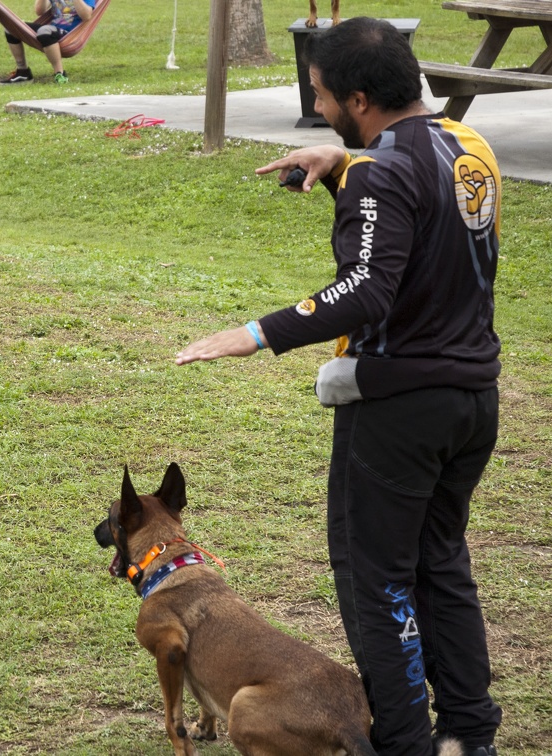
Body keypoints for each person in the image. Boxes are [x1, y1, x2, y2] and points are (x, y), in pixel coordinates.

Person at [175, 17, 503, 756]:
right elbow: (419, 202)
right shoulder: (466, 145)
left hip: (397, 407)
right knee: (439, 563)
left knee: (376, 581)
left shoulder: (378, 174)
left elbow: (365, 292)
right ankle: (468, 734)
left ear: (357, 97)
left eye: (322, 98)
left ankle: (406, 746)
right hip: (469, 399)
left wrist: (253, 333)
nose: (317, 108)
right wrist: (347, 157)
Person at [0, 0, 95, 84]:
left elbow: (86, 16)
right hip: (52, 29)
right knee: (12, 28)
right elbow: (39, 11)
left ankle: (60, 74)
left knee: (45, 31)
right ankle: (23, 73)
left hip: (70, 34)